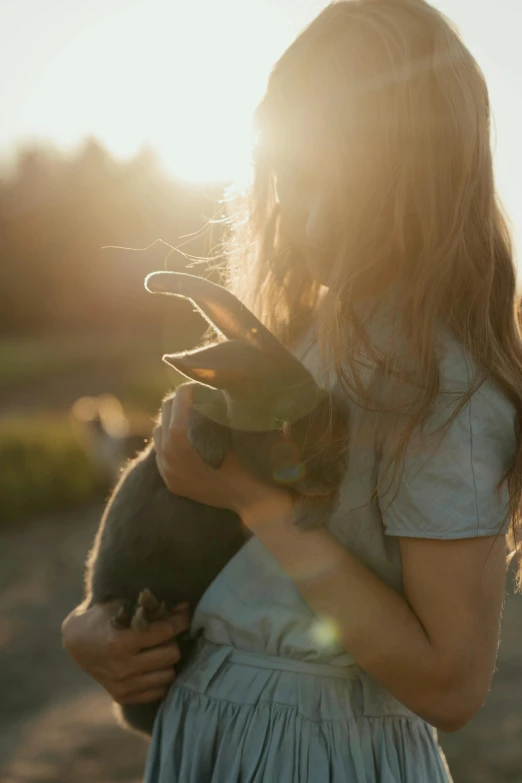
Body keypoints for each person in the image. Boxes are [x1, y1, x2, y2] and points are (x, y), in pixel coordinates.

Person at [61, 1, 522, 781]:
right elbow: (225, 579)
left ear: (428, 179)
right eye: (293, 180)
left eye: (345, 188)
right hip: (206, 737)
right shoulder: (307, 334)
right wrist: (92, 631)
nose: (306, 219)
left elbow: (452, 682)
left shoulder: (450, 390)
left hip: (323, 753)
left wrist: (256, 501)